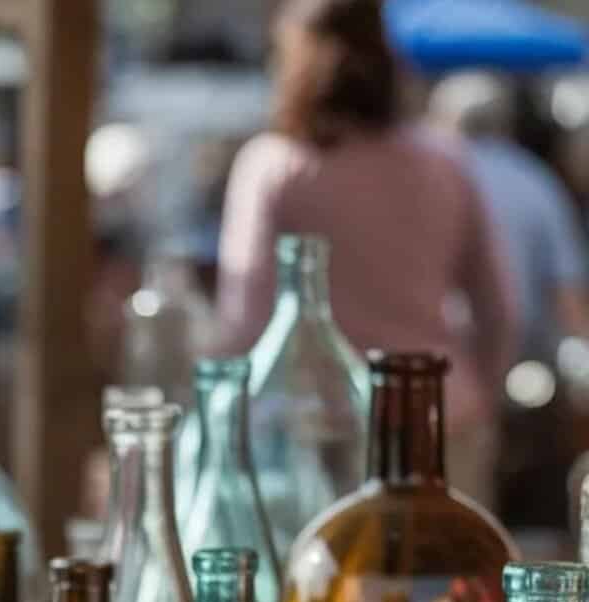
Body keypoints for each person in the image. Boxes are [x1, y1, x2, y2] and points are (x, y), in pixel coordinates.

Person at [215, 0, 518, 507]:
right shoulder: (444, 162)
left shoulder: (274, 166)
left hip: (320, 437)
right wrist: (478, 399)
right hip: (442, 422)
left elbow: (243, 322)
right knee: (448, 587)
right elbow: (500, 309)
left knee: (323, 587)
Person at [430, 71, 589, 359]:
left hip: (441, 356)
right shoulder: (536, 179)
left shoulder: (428, 176)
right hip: (524, 363)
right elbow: (568, 293)